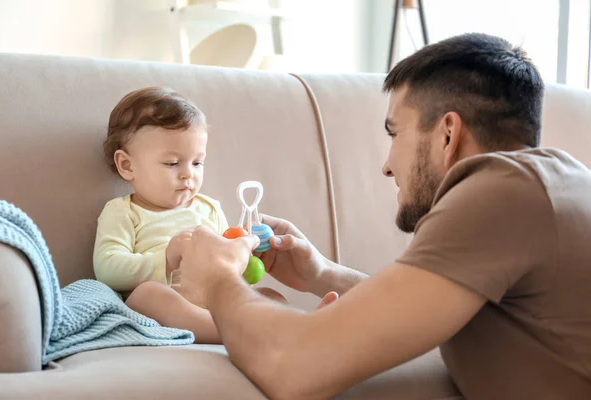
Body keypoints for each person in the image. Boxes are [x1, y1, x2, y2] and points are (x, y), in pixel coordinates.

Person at [173, 33, 591, 400]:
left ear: (448, 134)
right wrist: (323, 273)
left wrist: (218, 281)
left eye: (395, 133)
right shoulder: (554, 183)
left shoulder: (497, 193)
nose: (388, 166)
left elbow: (294, 367)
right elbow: (435, 313)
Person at [92, 87, 337, 344]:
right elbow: (107, 269)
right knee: (146, 294)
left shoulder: (208, 207)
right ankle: (241, 332)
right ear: (127, 165)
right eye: (173, 163)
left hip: (215, 298)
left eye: (197, 163)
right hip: (169, 300)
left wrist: (246, 254)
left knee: (270, 295)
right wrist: (166, 258)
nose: (189, 174)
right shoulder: (123, 211)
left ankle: (299, 326)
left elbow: (229, 267)